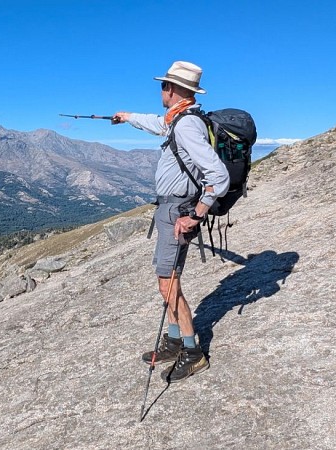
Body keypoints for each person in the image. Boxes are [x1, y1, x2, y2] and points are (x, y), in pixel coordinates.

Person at [113, 61, 229, 382]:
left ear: (177, 91)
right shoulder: (177, 120)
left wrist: (195, 215)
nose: (161, 90)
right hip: (172, 210)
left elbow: (217, 176)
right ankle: (175, 340)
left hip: (178, 212)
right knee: (169, 278)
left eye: (165, 86)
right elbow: (157, 124)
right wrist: (128, 118)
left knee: (167, 283)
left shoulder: (187, 125)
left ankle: (192, 352)